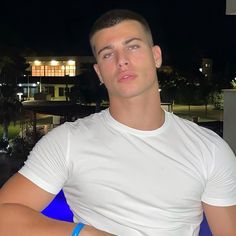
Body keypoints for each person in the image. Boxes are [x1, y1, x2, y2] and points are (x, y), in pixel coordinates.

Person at [0, 9, 236, 236]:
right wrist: (84, 233)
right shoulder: (68, 142)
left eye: (132, 46)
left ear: (156, 56)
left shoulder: (209, 149)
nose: (122, 60)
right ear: (99, 72)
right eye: (107, 54)